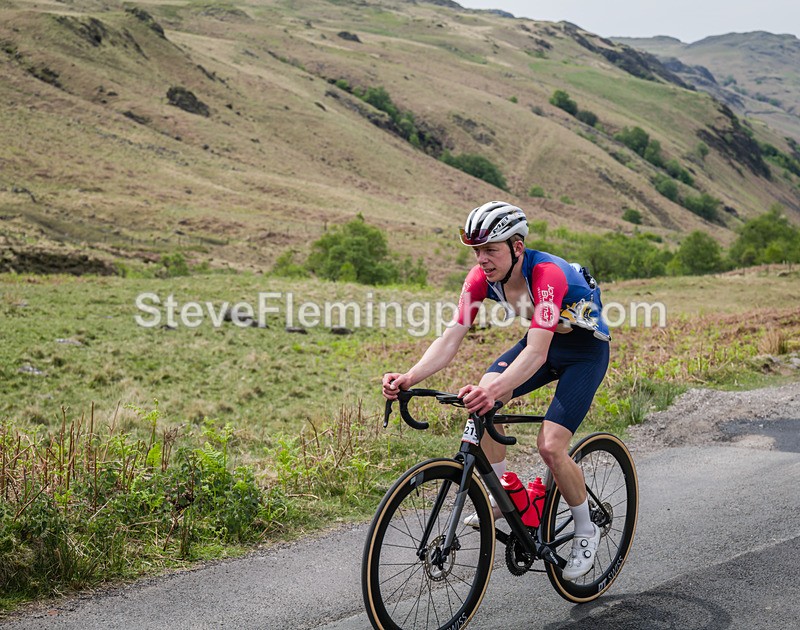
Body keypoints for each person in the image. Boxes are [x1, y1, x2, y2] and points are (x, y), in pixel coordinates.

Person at [381, 200, 611, 581]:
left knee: (551, 446)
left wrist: (495, 391)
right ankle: (502, 495)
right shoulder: (480, 278)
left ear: (517, 247)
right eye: (476, 250)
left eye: (490, 249)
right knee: (483, 398)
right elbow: (450, 338)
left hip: (584, 353)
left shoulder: (547, 275)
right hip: (546, 341)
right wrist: (409, 376)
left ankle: (586, 530)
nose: (481, 259)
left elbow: (536, 353)